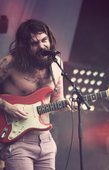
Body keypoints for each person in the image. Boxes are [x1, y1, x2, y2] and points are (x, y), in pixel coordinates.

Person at [0, 19, 72, 170]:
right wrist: (6, 106)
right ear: (24, 46)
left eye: (44, 40)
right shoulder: (10, 63)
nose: (42, 46)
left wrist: (67, 105)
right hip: (17, 141)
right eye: (34, 43)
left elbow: (57, 102)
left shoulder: (56, 64)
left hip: (46, 142)